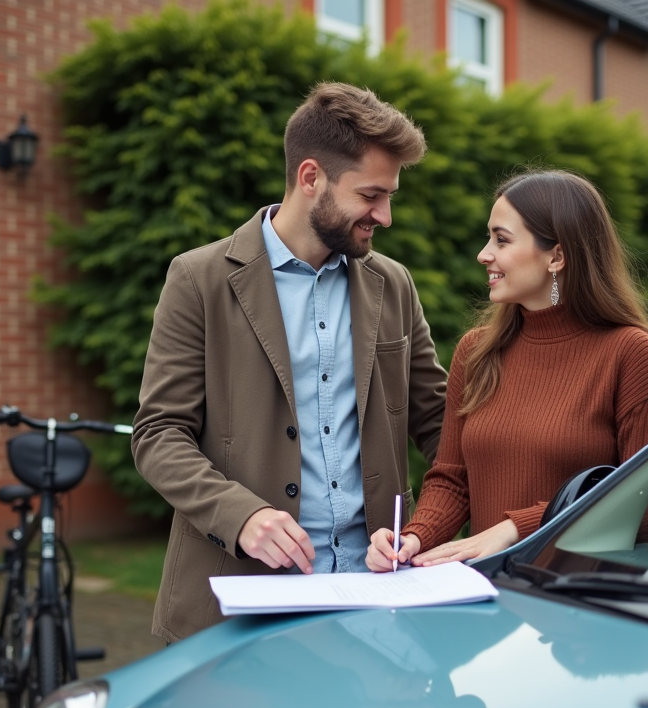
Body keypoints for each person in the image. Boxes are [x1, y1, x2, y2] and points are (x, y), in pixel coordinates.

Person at [133, 83, 448, 642]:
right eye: (372, 195)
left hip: (377, 593)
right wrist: (242, 517)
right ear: (311, 179)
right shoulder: (198, 279)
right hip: (240, 595)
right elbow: (159, 435)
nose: (386, 215)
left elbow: (439, 422)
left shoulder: (392, 283)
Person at [366, 169, 648, 572]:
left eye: (502, 239)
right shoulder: (476, 352)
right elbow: (453, 481)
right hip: (483, 595)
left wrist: (519, 527)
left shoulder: (630, 354)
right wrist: (412, 538)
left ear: (558, 256)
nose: (484, 254)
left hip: (574, 610)